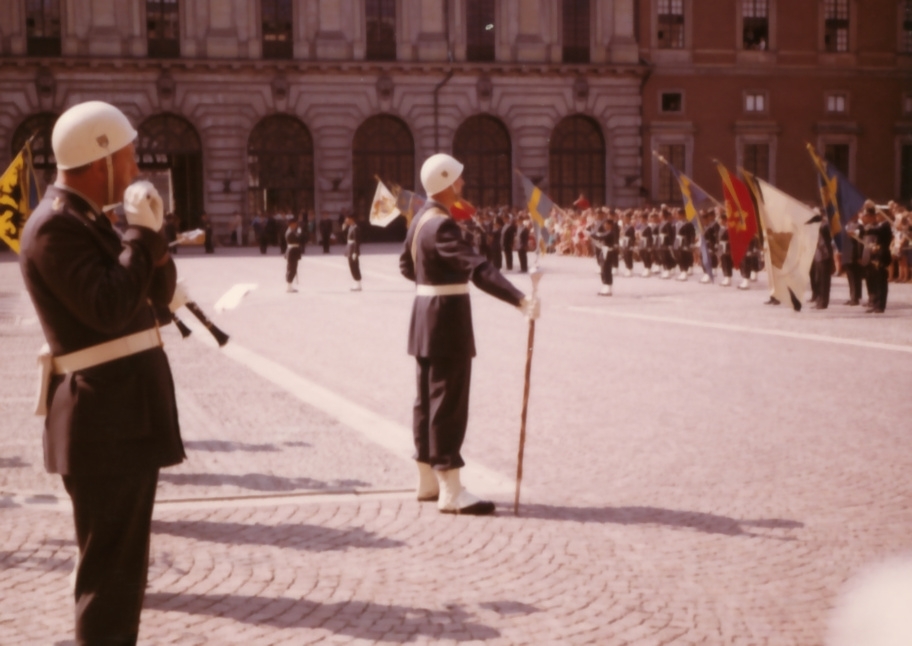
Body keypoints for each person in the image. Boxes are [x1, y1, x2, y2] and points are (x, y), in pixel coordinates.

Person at [18, 100, 186, 645]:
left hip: (123, 417)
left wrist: (152, 242)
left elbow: (154, 300)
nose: (135, 170)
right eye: (129, 157)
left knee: (123, 572)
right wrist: (138, 236)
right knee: (108, 576)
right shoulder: (53, 228)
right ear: (101, 159)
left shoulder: (91, 220)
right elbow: (110, 306)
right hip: (104, 421)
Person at [399, 153, 540, 515]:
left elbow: (405, 266)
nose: (462, 185)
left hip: (422, 318)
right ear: (445, 183)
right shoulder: (442, 225)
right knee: (448, 402)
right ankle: (451, 490)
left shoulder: (419, 221)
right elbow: (478, 268)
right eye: (458, 180)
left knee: (425, 402)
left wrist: (431, 278)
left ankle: (428, 480)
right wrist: (520, 299)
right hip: (446, 321)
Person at [860, 200, 893, 313]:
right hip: (877, 255)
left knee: (881, 281)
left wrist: (862, 229)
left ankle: (880, 305)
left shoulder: (885, 225)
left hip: (882, 255)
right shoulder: (881, 225)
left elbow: (875, 230)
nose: (876, 216)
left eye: (878, 214)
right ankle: (875, 303)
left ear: (883, 214)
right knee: (876, 280)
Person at [343, 212, 362, 291]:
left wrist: (355, 252)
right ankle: (356, 282)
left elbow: (357, 241)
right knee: (351, 266)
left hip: (353, 249)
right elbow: (346, 238)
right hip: (349, 248)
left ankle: (358, 284)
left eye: (347, 218)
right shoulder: (350, 227)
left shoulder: (355, 228)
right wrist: (344, 229)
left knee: (355, 267)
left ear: (351, 219)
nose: (346, 220)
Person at [285, 218, 304, 292]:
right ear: (291, 224)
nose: (296, 225)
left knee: (292, 268)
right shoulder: (290, 232)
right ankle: (289, 287)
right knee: (292, 269)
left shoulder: (292, 231)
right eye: (295, 223)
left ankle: (289, 286)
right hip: (292, 251)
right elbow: (299, 239)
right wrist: (300, 232)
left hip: (293, 251)